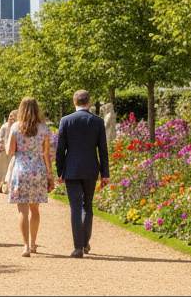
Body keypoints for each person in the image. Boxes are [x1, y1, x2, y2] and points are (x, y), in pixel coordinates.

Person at [56, 90, 109, 258]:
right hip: (90, 168)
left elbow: (60, 149)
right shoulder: (97, 122)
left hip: (71, 169)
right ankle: (85, 242)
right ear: (89, 102)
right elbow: (103, 149)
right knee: (88, 205)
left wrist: (60, 171)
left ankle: (78, 247)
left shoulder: (66, 121)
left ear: (74, 102)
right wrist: (105, 173)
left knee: (75, 208)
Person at [9, 98, 55, 257]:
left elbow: (9, 151)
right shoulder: (44, 129)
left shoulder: (16, 127)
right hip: (38, 170)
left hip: (21, 170)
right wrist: (50, 175)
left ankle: (26, 246)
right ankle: (34, 243)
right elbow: (47, 154)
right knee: (35, 210)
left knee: (22, 210)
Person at [0, 110, 18, 194]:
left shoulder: (16, 127)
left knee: (9, 169)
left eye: (13, 116)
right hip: (3, 151)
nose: (11, 118)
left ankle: (7, 187)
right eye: (10, 116)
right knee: (1, 169)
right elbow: (0, 139)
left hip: (12, 151)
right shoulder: (4, 126)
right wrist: (3, 146)